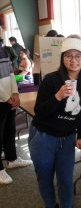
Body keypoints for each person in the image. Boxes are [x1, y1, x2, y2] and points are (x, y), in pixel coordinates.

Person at [29, 36, 81, 208]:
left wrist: (80, 135)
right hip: (43, 136)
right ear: (62, 57)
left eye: (78, 56)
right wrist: (58, 96)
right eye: (69, 56)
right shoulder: (50, 80)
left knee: (66, 179)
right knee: (45, 178)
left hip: (67, 138)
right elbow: (39, 112)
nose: (73, 60)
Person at [0, 43, 33, 185]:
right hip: (3, 98)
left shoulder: (3, 50)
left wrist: (15, 93)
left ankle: (11, 159)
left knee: (9, 129)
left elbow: (11, 73)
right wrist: (7, 97)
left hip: (9, 98)